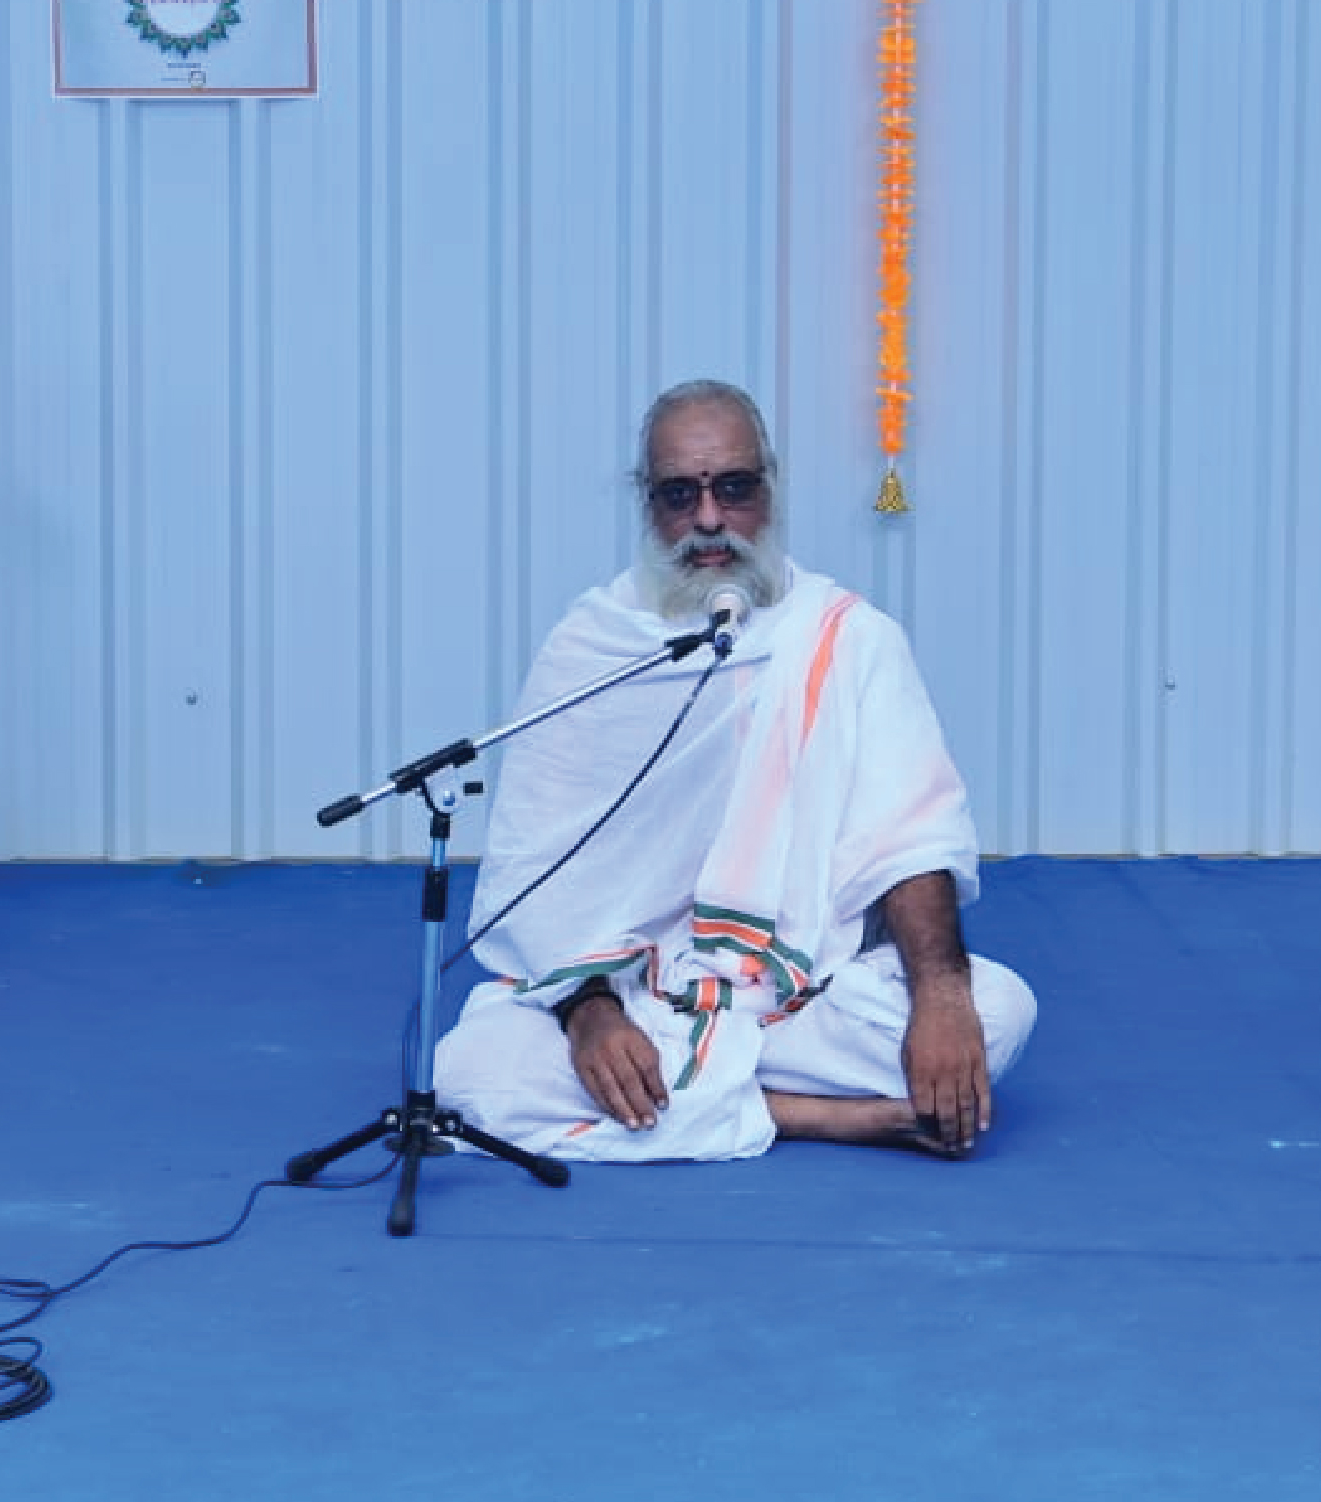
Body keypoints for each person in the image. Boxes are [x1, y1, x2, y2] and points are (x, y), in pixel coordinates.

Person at [433, 380, 1035, 1163]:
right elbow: (538, 871)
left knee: (1000, 1011)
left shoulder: (847, 637)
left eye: (734, 488)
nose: (710, 519)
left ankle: (714, 1095)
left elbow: (909, 839)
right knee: (467, 1073)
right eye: (680, 494)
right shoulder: (594, 644)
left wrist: (943, 1000)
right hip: (635, 996)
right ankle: (826, 1115)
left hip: (799, 994)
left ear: (770, 489)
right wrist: (588, 1014)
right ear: (647, 502)